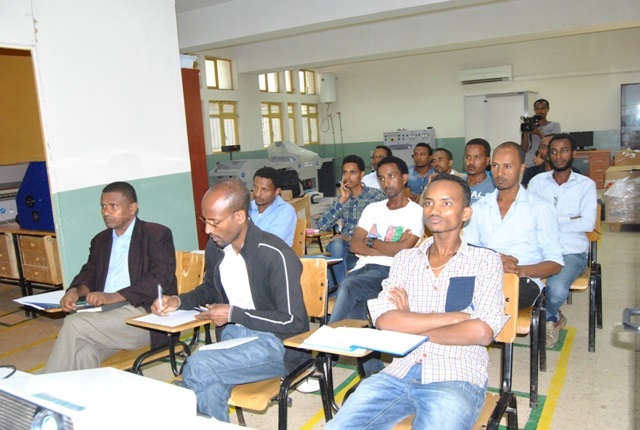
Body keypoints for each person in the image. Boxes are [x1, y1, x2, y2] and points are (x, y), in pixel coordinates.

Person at [326, 174, 507, 429]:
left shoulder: (484, 261)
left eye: (446, 203)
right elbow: (386, 321)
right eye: (429, 202)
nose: (434, 210)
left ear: (466, 213)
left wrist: (410, 325)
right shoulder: (406, 259)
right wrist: (454, 318)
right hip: (398, 373)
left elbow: (481, 332)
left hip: (455, 377)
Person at [153, 178, 309, 422]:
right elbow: (210, 289)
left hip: (276, 344)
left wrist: (233, 314)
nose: (207, 230)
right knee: (209, 386)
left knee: (197, 366)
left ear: (239, 216)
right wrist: (178, 301)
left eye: (214, 222)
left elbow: (294, 322)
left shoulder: (275, 254)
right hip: (233, 338)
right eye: (205, 221)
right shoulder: (216, 247)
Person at [43, 181, 177, 373]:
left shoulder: (156, 234)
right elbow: (89, 272)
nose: (106, 212)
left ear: (132, 208)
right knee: (83, 352)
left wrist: (114, 296)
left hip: (143, 316)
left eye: (113, 206)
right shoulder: (101, 240)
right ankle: (87, 393)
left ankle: (44, 386)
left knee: (74, 324)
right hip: (105, 316)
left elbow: (159, 277)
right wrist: (74, 291)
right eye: (103, 206)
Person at [330, 155, 424, 376]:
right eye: (381, 178)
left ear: (404, 178)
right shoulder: (373, 208)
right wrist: (388, 246)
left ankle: (327, 354)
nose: (386, 182)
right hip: (363, 268)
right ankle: (372, 369)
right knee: (359, 306)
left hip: (391, 273)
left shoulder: (416, 212)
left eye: (391, 176)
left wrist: (371, 241)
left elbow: (402, 253)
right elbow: (355, 245)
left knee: (348, 286)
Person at [463, 142, 564, 310]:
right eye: (495, 166)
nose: (500, 173)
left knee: (497, 296)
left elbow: (555, 262)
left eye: (507, 166)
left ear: (522, 168)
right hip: (484, 274)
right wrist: (494, 264)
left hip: (522, 280)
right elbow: (468, 251)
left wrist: (518, 270)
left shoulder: (540, 207)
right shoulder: (480, 207)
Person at [528, 133, 597, 347]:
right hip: (539, 247)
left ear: (573, 153)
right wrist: (570, 218)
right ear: (548, 154)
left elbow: (587, 223)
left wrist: (550, 220)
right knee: (513, 278)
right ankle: (542, 315)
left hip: (571, 249)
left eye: (564, 151)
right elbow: (529, 217)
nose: (558, 156)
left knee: (557, 289)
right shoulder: (537, 182)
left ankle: (550, 317)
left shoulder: (586, 185)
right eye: (554, 151)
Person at [316, 155, 386, 287]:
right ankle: (343, 288)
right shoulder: (341, 198)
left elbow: (382, 229)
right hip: (344, 250)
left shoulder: (376, 196)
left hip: (365, 249)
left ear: (362, 174)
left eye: (352, 173)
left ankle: (338, 289)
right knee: (336, 245)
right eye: (345, 173)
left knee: (334, 268)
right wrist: (342, 200)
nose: (347, 177)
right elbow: (322, 225)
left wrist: (349, 238)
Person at [248, 166, 297, 246]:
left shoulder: (286, 212)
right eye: (255, 187)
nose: (257, 194)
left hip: (270, 253)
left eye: (264, 190)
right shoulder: (246, 208)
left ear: (277, 192)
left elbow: (268, 242)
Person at [520, 99, 561, 168]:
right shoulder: (530, 125)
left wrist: (538, 133)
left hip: (547, 162)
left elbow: (555, 144)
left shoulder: (554, 125)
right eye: (537, 109)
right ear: (534, 110)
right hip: (529, 163)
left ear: (548, 109)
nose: (540, 111)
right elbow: (523, 149)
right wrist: (525, 132)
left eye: (543, 108)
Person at [463, 138, 495, 205]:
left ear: (487, 160)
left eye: (477, 157)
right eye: (468, 157)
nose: (471, 162)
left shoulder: (495, 187)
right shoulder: (457, 185)